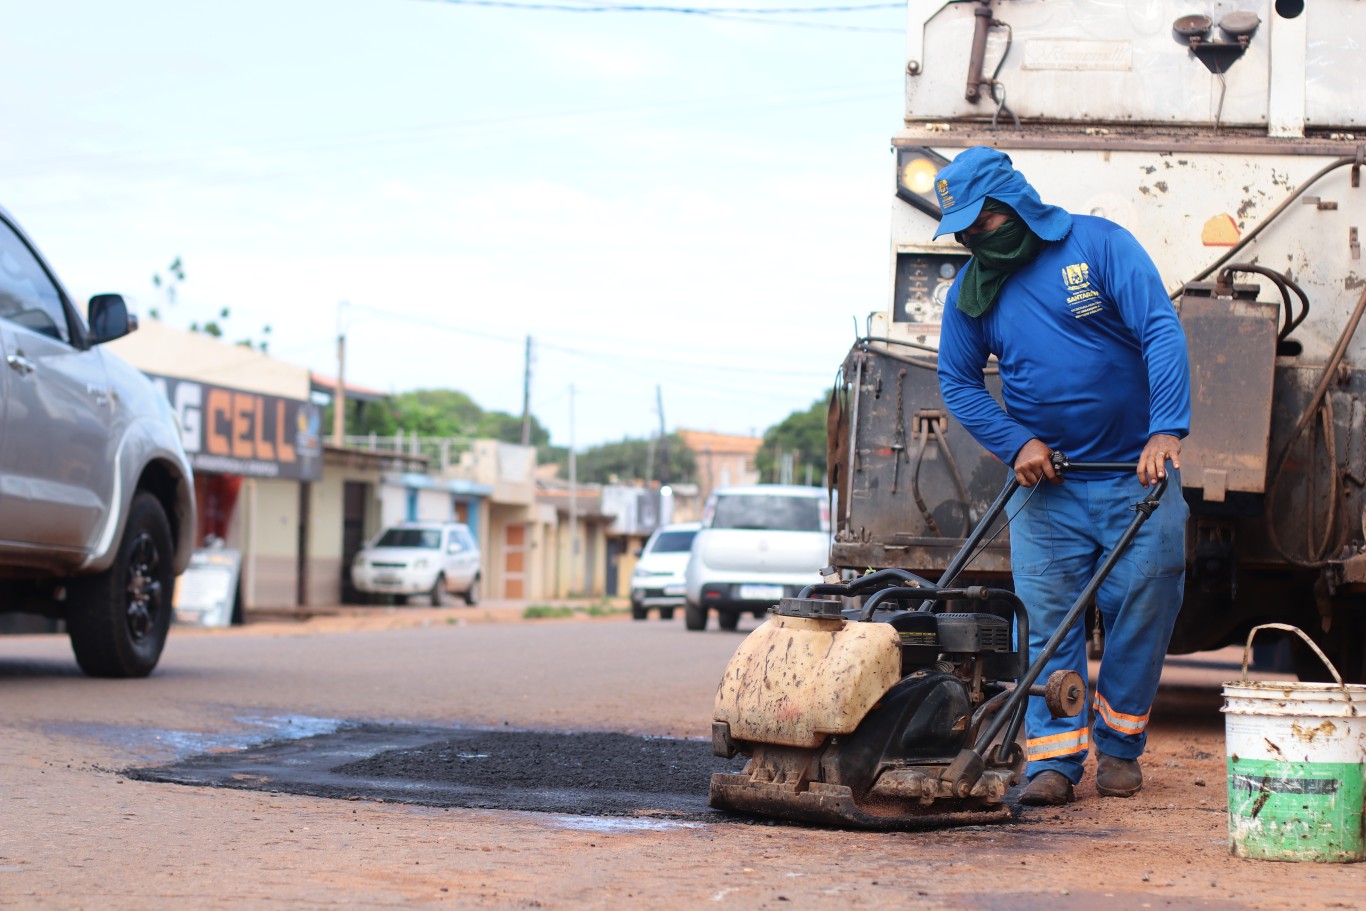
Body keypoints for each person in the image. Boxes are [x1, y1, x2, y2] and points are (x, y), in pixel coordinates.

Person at [932, 146, 1191, 806]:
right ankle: (1054, 760)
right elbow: (957, 382)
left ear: (1011, 204)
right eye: (959, 229)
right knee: (1047, 620)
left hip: (1135, 471)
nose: (969, 239)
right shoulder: (973, 291)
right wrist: (1015, 440)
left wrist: (1167, 427)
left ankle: (1121, 745)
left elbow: (1159, 328)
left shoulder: (1098, 245)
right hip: (1048, 488)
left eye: (978, 224)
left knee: (1145, 598)